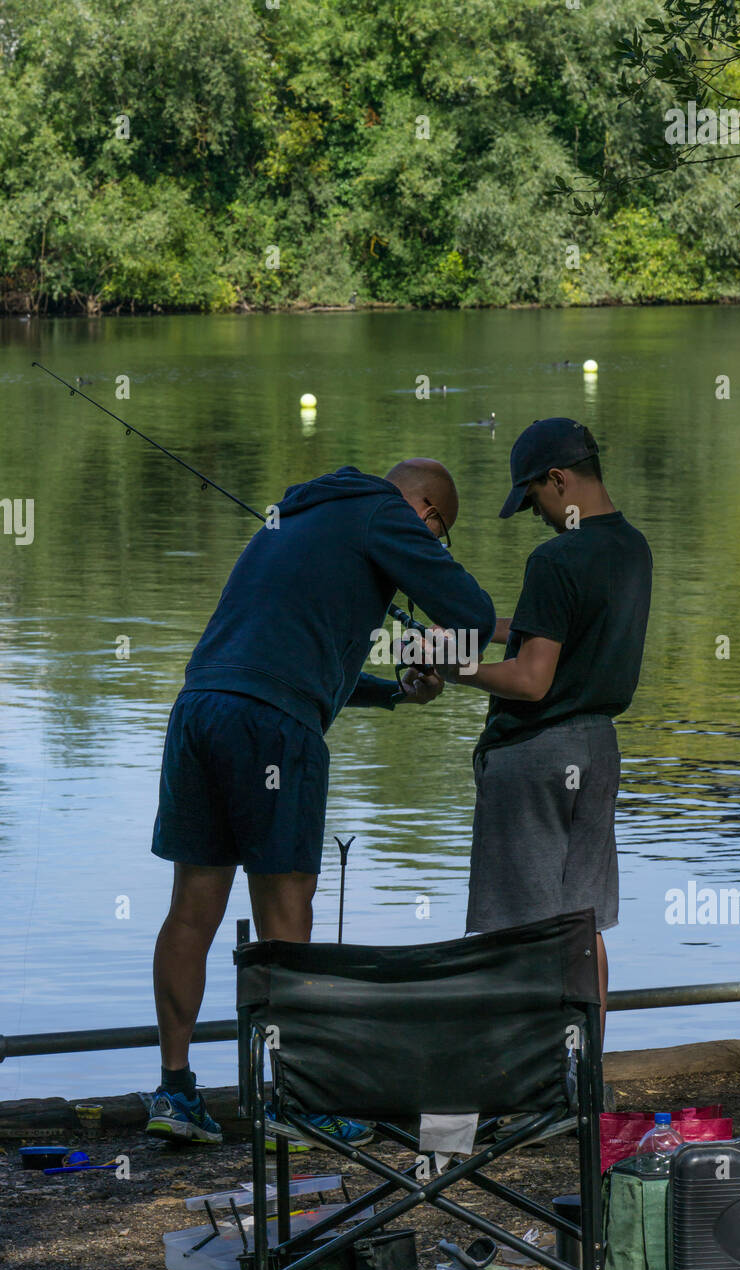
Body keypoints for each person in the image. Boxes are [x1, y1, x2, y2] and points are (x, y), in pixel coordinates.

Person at [147, 458, 496, 1147]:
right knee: (285, 915)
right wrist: (436, 651)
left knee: (191, 910)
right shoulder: (389, 515)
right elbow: (474, 615)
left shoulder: (301, 512)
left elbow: (302, 662)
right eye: (439, 534)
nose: (430, 546)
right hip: (274, 729)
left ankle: (175, 1090)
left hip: (200, 711)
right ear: (425, 512)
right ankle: (295, 1102)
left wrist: (397, 690)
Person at [441, 418, 652, 1131]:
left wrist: (447, 666)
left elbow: (531, 681)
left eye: (531, 494)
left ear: (558, 479)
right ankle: (580, 1084)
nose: (530, 508)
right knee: (579, 925)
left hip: (533, 758)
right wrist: (479, 630)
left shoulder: (555, 558)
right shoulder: (629, 547)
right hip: (596, 750)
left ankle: (522, 1096)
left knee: (515, 932)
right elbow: (561, 631)